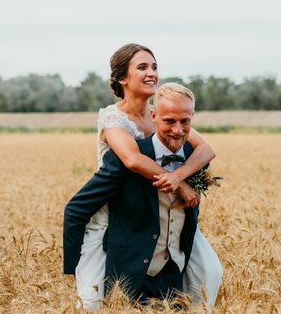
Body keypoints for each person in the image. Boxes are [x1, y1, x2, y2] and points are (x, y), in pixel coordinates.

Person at [73, 43, 222, 309]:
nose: (151, 72)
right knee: (93, 302)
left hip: (157, 207)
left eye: (154, 66)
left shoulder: (162, 114)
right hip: (116, 213)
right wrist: (178, 184)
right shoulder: (113, 118)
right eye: (141, 67)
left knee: (209, 271)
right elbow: (132, 159)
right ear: (122, 78)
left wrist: (181, 179)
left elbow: (206, 149)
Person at [64, 83, 205, 302]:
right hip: (129, 276)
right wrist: (73, 267)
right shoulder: (125, 157)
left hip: (174, 273)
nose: (178, 129)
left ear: (192, 117)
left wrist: (180, 178)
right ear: (154, 116)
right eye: (169, 121)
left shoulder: (194, 158)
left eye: (184, 121)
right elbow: (75, 209)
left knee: (211, 277)